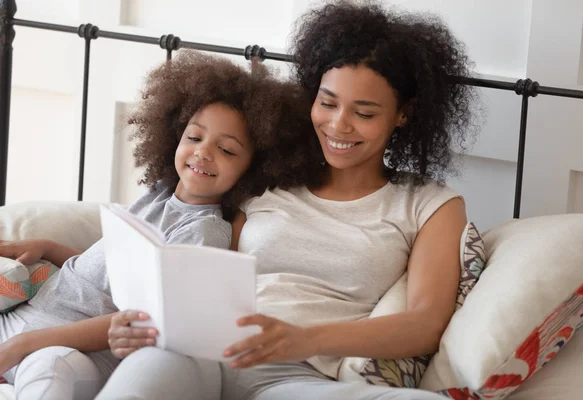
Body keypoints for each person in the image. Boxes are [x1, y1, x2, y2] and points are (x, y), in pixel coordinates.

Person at [97, 1, 478, 399]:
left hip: (294, 378)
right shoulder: (270, 173)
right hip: (197, 351)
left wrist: (307, 340)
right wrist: (138, 321)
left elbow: (426, 325)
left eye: (363, 113)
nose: (338, 125)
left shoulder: (430, 205)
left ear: (404, 114)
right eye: (327, 103)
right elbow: (194, 261)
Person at [0, 51, 321, 400]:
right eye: (195, 138)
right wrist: (51, 249)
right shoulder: (159, 194)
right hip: (26, 318)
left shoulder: (204, 232)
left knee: (49, 373)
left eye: (227, 150)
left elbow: (148, 316)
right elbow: (114, 273)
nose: (202, 153)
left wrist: (24, 344)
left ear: (254, 168)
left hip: (72, 349)